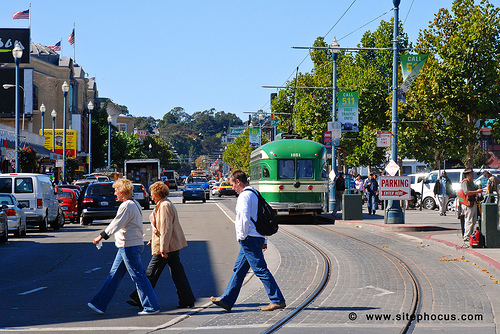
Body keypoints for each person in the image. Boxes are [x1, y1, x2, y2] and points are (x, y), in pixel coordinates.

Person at [211, 170, 286, 312]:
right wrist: (264, 239)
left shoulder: (244, 196)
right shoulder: (255, 193)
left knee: (260, 269)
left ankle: (277, 299)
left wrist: (241, 236)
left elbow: (243, 218)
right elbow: (260, 218)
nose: (232, 188)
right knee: (239, 269)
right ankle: (227, 300)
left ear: (238, 182)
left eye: (232, 184)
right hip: (256, 236)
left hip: (249, 238)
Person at [88, 178, 160, 315]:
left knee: (138, 276)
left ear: (122, 191)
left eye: (116, 190)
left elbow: (116, 224)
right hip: (130, 245)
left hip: (129, 246)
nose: (114, 193)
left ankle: (151, 306)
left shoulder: (126, 206)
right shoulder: (135, 204)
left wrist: (101, 236)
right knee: (113, 275)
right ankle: (99, 303)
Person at [127, 181, 195, 309]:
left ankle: (140, 298)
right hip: (171, 245)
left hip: (166, 247)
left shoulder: (164, 206)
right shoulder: (163, 204)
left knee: (151, 273)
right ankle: (187, 300)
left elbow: (165, 228)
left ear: (158, 193)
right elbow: (162, 228)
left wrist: (162, 248)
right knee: (178, 273)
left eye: (152, 193)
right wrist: (153, 241)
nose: (150, 196)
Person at [461, 168, 483, 246]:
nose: (473, 175)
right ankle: (466, 236)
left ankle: (470, 235)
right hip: (468, 203)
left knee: (473, 220)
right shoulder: (465, 182)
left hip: (473, 203)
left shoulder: (471, 182)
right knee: (469, 220)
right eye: (471, 174)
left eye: (472, 173)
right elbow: (466, 192)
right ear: (467, 175)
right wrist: (476, 192)